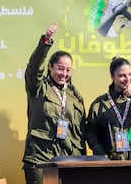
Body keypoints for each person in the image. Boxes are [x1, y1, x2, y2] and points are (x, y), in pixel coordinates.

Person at [22, 23, 86, 184]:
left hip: (69, 161)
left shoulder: (75, 97)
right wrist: (46, 41)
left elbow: (80, 134)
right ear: (50, 66)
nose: (64, 73)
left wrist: (82, 163)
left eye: (68, 70)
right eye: (60, 68)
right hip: (41, 160)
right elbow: (33, 69)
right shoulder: (38, 88)